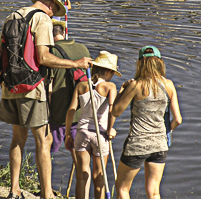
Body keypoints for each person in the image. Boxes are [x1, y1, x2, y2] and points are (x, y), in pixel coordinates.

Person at [0, 0, 93, 199]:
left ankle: (14, 190)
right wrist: (75, 63)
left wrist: (6, 82)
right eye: (54, 8)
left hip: (10, 87)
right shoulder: (42, 19)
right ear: (50, 3)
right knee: (42, 140)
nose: (52, 12)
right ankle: (47, 194)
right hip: (32, 87)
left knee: (17, 139)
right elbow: (44, 57)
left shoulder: (12, 16)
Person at [111, 46, 183, 199]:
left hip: (137, 144)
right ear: (159, 63)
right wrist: (164, 132)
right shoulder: (169, 85)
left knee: (122, 188)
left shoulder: (135, 85)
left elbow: (115, 111)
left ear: (140, 63)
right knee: (154, 191)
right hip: (160, 144)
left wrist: (122, 90)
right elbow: (178, 119)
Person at [65, 51, 120, 199]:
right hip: (100, 133)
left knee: (82, 175)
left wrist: (68, 133)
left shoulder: (82, 86)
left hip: (82, 131)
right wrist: (109, 130)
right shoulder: (110, 87)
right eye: (113, 73)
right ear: (108, 72)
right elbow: (112, 110)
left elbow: (71, 111)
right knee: (99, 176)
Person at [48, 19, 91, 157]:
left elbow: (49, 88)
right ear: (64, 32)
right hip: (80, 112)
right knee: (78, 154)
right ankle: (81, 179)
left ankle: (44, 179)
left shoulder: (50, 53)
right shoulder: (83, 48)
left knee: (48, 152)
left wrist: (46, 114)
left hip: (58, 113)